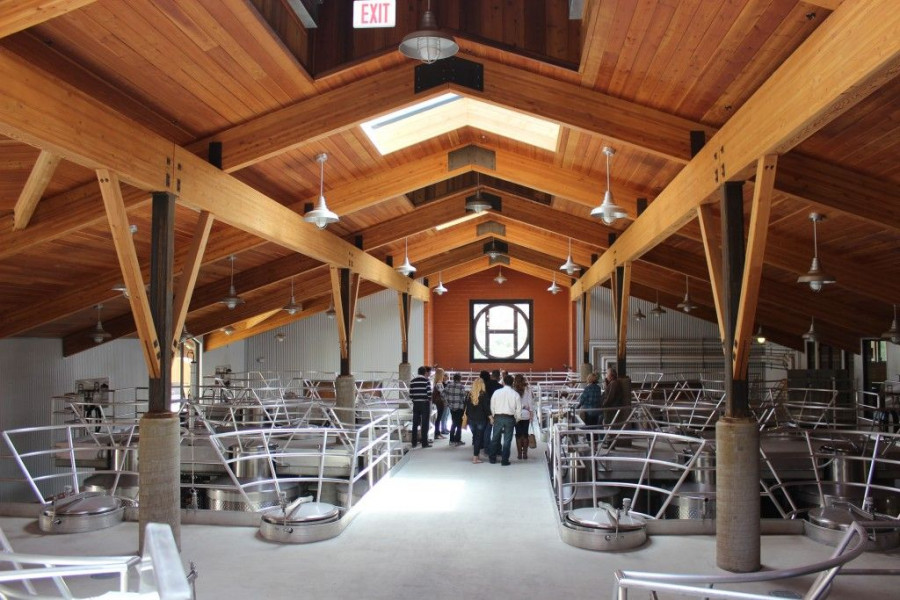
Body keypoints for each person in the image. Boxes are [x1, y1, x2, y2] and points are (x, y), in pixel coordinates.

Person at [489, 374, 521, 466]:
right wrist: (517, 419)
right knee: (507, 440)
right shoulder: (515, 394)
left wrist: (493, 416)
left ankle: (492, 458)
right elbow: (518, 409)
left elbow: (492, 405)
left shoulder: (496, 392)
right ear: (513, 383)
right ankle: (504, 460)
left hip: (498, 417)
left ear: (503, 382)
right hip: (510, 418)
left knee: (495, 438)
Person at [464, 377, 489, 463]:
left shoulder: (469, 394)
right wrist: (490, 417)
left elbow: (466, 407)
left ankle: (477, 454)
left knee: (475, 437)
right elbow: (486, 408)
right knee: (478, 438)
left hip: (471, 419)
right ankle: (475, 458)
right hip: (481, 419)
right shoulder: (484, 394)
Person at [409, 366, 432, 448]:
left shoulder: (412, 381)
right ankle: (424, 443)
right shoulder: (426, 381)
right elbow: (429, 393)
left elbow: (410, 394)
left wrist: (415, 400)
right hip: (425, 404)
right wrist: (428, 400)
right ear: (425, 372)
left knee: (415, 423)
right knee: (424, 423)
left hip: (416, 404)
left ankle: (414, 442)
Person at [512, 374, 533, 460]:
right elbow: (530, 402)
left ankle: (519, 454)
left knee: (518, 434)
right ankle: (525, 454)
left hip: (516, 414)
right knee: (525, 434)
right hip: (526, 414)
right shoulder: (527, 389)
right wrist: (531, 413)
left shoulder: (513, 390)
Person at [443, 373, 467, 446]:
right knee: (458, 424)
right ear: (460, 379)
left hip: (451, 407)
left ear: (453, 378)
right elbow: (464, 396)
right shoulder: (461, 386)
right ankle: (455, 440)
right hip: (459, 407)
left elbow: (442, 394)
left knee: (453, 422)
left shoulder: (449, 385)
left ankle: (453, 440)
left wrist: (447, 402)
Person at [483, 369, 502, 454]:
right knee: (497, 431)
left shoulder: (485, 385)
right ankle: (497, 449)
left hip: (486, 409)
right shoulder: (500, 387)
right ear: (499, 377)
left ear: (491, 376)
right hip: (497, 410)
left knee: (487, 430)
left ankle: (487, 449)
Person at [431, 368, 447, 440]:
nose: (444, 375)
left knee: (439, 418)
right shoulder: (439, 383)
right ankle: (437, 433)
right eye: (443, 374)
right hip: (440, 402)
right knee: (439, 418)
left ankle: (438, 433)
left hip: (438, 402)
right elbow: (443, 393)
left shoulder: (436, 382)